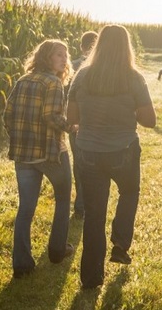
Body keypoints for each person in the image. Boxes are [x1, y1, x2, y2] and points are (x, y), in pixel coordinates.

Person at [66, 24, 156, 290]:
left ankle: (91, 278)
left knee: (94, 214)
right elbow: (149, 120)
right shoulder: (133, 78)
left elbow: (72, 118)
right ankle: (120, 243)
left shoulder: (82, 76)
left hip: (88, 151)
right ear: (126, 46)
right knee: (129, 193)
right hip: (123, 150)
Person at [3, 39, 77, 279]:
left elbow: (8, 114)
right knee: (63, 198)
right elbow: (51, 116)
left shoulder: (22, 80)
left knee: (26, 208)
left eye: (65, 55)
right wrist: (72, 127)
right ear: (46, 57)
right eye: (58, 55)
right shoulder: (53, 82)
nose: (64, 59)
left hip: (23, 154)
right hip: (50, 152)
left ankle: (22, 264)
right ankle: (57, 250)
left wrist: (18, 137)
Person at [69, 30, 98, 219]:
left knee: (79, 162)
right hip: (95, 122)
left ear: (81, 46)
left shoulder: (71, 67)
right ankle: (90, 203)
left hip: (75, 122)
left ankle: (81, 204)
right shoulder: (102, 67)